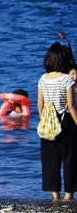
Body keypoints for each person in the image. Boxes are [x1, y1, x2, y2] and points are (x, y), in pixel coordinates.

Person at [38, 42, 77, 201]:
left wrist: (44, 120)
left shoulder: (42, 78)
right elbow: (71, 106)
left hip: (48, 122)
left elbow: (40, 104)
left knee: (50, 160)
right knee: (70, 158)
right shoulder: (67, 79)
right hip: (66, 121)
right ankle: (69, 195)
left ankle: (55, 196)